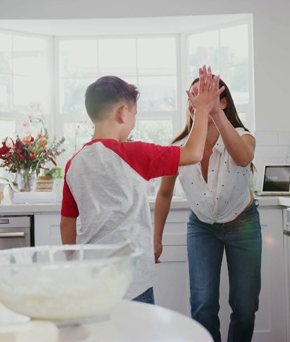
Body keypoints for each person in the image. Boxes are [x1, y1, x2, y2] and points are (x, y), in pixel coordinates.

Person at [59, 66, 224, 304]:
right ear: (123, 113)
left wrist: (73, 259)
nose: (133, 122)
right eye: (134, 115)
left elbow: (67, 221)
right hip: (132, 278)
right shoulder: (133, 154)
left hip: (90, 277)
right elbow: (193, 153)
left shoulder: (73, 163)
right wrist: (201, 109)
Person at [153, 76, 261, 342]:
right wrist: (156, 238)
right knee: (203, 305)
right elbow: (164, 193)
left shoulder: (244, 137)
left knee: (245, 307)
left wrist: (214, 113)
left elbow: (244, 157)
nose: (197, 101)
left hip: (243, 225)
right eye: (193, 96)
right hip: (202, 227)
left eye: (207, 96)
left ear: (223, 102)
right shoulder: (178, 149)